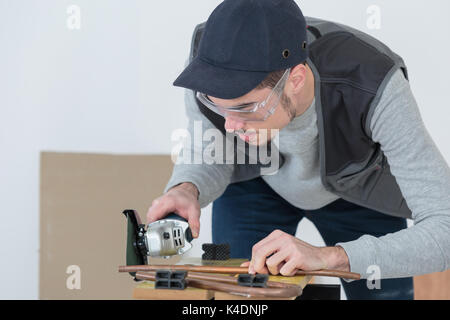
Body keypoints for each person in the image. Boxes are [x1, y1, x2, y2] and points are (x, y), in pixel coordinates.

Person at [147, 0, 450, 299]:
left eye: (246, 107)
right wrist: (187, 188)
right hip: (256, 183)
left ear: (295, 79)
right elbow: (211, 151)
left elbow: (445, 229)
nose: (230, 126)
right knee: (243, 301)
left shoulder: (374, 84)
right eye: (218, 106)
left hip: (358, 190)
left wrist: (330, 257)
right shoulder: (209, 64)